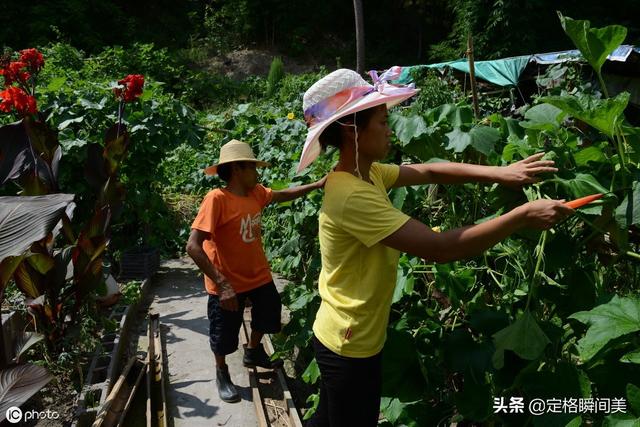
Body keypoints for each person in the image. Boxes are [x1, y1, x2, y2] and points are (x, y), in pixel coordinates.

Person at [297, 67, 575, 426]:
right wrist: (521, 215)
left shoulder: (367, 174)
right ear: (353, 129)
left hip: (342, 331)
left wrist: (500, 172)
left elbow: (428, 171)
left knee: (330, 417)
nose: (389, 129)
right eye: (382, 121)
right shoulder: (352, 196)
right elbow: (441, 249)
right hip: (350, 343)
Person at [186, 139, 325, 403]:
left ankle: (252, 350)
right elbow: (193, 246)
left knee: (270, 311)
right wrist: (221, 283)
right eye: (252, 167)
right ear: (237, 169)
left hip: (258, 276)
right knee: (223, 333)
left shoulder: (256, 194)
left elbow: (282, 194)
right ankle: (222, 371)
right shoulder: (217, 199)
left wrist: (317, 185)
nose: (257, 173)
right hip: (227, 282)